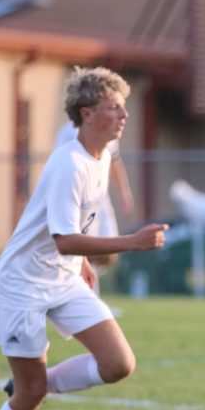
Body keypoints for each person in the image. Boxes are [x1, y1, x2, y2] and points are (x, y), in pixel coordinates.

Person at [0, 66, 169, 410]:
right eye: (113, 108)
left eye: (124, 107)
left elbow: (71, 233)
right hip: (22, 285)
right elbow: (63, 240)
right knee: (30, 393)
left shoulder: (99, 159)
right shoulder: (69, 163)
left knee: (119, 364)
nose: (123, 116)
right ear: (85, 114)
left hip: (62, 278)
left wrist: (84, 260)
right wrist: (132, 243)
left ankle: (28, 389)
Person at [54, 117, 135, 285]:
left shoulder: (108, 135)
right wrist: (136, 241)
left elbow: (115, 161)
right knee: (83, 249)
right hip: (79, 201)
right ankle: (78, 293)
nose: (122, 114)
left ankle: (88, 294)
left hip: (100, 200)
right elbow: (61, 167)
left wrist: (124, 192)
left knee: (108, 255)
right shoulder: (69, 132)